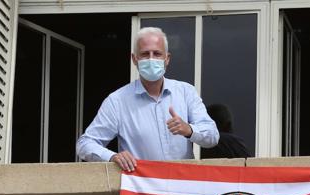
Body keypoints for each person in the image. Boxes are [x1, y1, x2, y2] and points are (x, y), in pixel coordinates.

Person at [76, 27, 219, 171]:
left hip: (181, 187)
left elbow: (212, 136)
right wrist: (112, 157)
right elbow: (85, 144)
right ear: (134, 59)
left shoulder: (186, 92)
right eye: (145, 54)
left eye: (157, 54)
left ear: (167, 59)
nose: (151, 59)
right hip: (142, 189)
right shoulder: (117, 101)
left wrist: (189, 130)